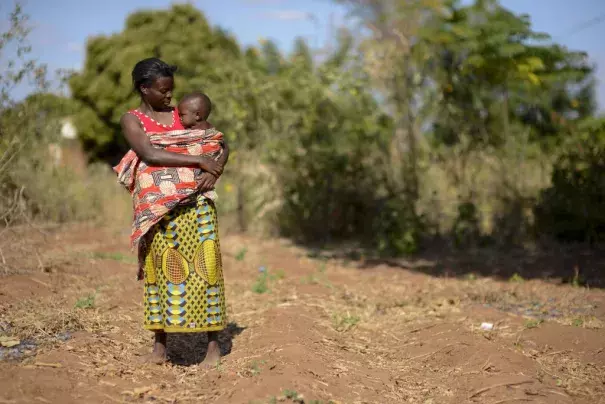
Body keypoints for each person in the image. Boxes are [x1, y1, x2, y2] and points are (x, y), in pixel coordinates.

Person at [117, 58, 227, 366]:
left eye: (171, 90)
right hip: (160, 212)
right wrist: (198, 162)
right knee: (160, 273)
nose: (169, 97)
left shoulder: (184, 114)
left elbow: (219, 143)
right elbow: (149, 153)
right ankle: (160, 348)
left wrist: (214, 171)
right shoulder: (132, 120)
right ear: (144, 88)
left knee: (207, 272)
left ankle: (213, 348)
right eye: (163, 91)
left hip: (197, 206)